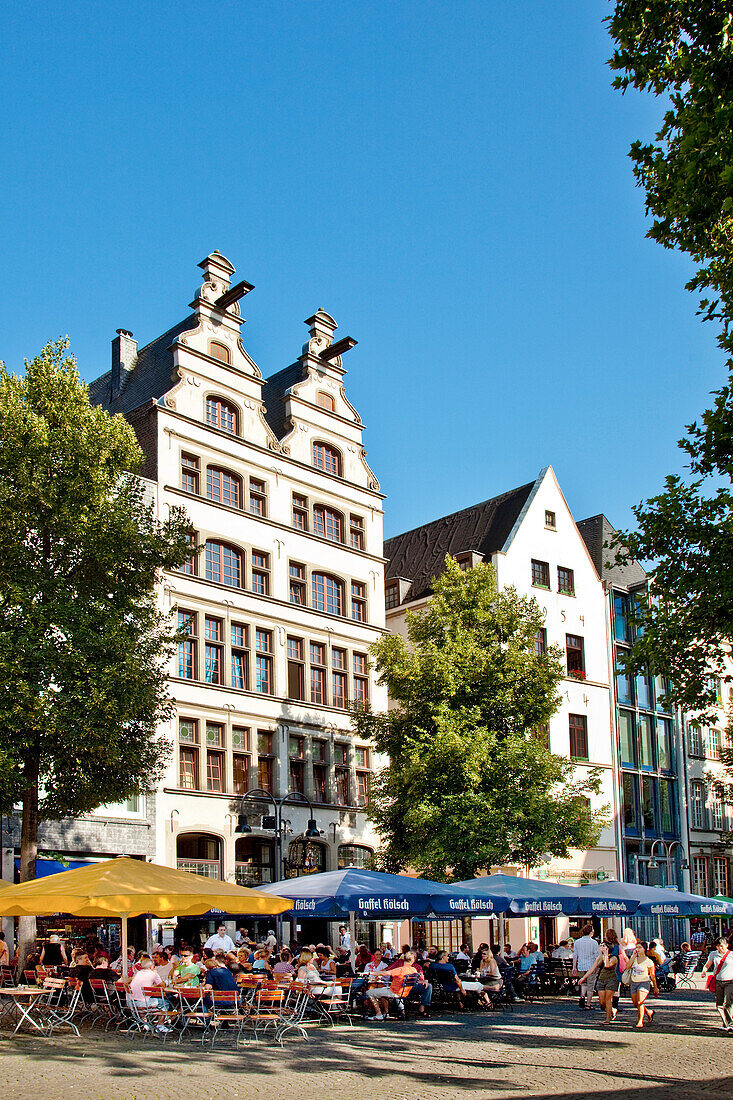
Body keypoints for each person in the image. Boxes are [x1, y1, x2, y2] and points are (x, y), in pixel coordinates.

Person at [365, 952, 418, 1020]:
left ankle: (379, 1014)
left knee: (369, 992)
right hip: (405, 993)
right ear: (413, 960)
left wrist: (370, 973)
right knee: (382, 991)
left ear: (403, 959)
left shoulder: (400, 970)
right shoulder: (414, 970)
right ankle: (385, 1013)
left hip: (394, 992)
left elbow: (384, 973)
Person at [586, 929, 621, 1025]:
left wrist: (606, 955)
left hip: (612, 972)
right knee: (602, 1002)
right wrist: (584, 978)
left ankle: (607, 1018)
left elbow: (608, 964)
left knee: (608, 999)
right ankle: (612, 1010)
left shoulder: (615, 950)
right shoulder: (601, 955)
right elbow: (594, 967)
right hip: (602, 976)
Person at [702, 936, 733, 1031]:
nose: (720, 948)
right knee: (719, 1004)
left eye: (722, 946)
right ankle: (725, 1023)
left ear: (727, 946)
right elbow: (708, 964)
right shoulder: (713, 954)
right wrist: (704, 971)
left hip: (730, 981)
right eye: (718, 946)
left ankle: (730, 1023)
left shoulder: (731, 955)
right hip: (718, 981)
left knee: (728, 1003)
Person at [628, 941, 659, 1029]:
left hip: (644, 982)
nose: (638, 949)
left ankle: (640, 1021)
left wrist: (655, 987)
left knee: (640, 1002)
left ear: (644, 949)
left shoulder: (649, 962)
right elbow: (627, 966)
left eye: (640, 947)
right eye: (636, 947)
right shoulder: (634, 959)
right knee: (636, 1003)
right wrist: (633, 956)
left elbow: (652, 976)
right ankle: (648, 1012)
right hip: (634, 982)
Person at [572, 923, 601, 1010]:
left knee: (583, 983)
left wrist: (574, 967)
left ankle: (582, 996)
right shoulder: (594, 943)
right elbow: (597, 956)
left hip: (581, 965)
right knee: (590, 985)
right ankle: (588, 1004)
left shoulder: (577, 942)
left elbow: (575, 955)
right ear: (591, 932)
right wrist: (598, 966)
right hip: (591, 966)